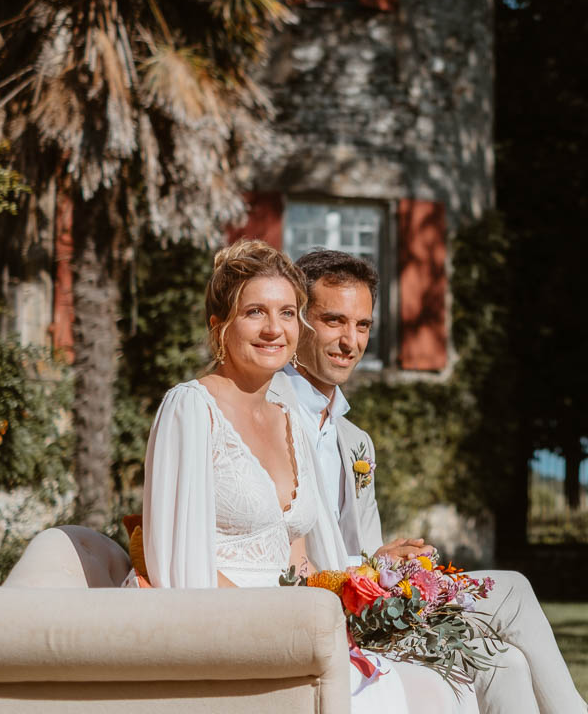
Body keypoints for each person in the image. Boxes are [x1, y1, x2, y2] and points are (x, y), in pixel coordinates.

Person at [138, 239, 474, 713]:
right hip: (225, 634)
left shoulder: (288, 418)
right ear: (220, 326)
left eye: (288, 313)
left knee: (444, 688)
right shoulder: (190, 407)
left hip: (297, 628)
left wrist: (360, 600)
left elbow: (298, 563)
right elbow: (177, 564)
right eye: (255, 312)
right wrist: (283, 620)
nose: (274, 329)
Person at [271, 248, 588, 714]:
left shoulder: (355, 440)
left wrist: (386, 558)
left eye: (362, 326)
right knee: (514, 590)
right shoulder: (270, 410)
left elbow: (363, 549)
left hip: (370, 600)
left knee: (505, 663)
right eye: (333, 321)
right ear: (299, 321)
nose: (350, 341)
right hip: (320, 608)